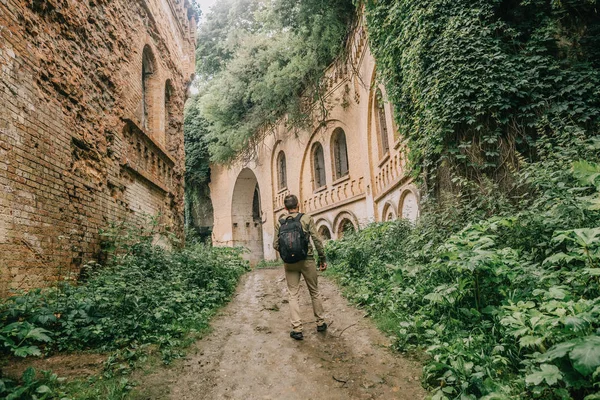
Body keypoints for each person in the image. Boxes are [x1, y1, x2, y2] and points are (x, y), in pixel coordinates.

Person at [273, 194, 327, 340]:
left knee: (293, 294)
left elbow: (275, 244)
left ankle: (297, 329)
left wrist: (287, 254)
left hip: (289, 264)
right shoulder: (306, 218)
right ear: (299, 205)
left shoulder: (280, 222)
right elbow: (316, 240)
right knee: (314, 291)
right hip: (307, 259)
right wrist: (322, 258)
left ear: (285, 208)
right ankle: (320, 323)